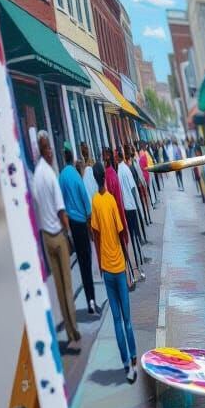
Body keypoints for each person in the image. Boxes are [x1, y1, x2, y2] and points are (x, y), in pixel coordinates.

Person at [90, 162, 137, 383]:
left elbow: (96, 235)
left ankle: (126, 364)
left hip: (106, 270)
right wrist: (128, 268)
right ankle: (135, 360)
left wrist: (99, 264)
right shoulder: (109, 201)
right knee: (127, 320)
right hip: (118, 267)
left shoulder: (95, 202)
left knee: (117, 320)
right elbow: (121, 234)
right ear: (105, 179)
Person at [33, 132, 79, 345]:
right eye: (48, 148)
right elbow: (62, 212)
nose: (50, 151)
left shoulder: (36, 175)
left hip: (45, 237)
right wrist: (68, 234)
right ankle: (73, 331)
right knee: (67, 286)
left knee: (59, 289)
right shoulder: (51, 175)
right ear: (44, 151)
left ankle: (69, 331)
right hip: (58, 236)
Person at [60, 145, 97, 315]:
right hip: (82, 224)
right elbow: (87, 204)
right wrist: (90, 228)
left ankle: (89, 299)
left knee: (82, 265)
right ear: (72, 158)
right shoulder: (76, 177)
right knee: (87, 263)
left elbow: (60, 204)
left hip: (72, 226)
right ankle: (91, 301)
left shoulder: (61, 177)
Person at [102, 147, 135, 289]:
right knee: (123, 249)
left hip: (116, 218)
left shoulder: (109, 176)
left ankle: (128, 280)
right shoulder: (113, 174)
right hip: (120, 216)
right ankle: (130, 278)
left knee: (121, 251)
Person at [116, 148, 146, 277]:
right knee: (135, 235)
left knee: (132, 236)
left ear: (118, 158)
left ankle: (138, 264)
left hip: (127, 207)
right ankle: (139, 263)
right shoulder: (125, 169)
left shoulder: (120, 171)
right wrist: (137, 204)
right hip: (132, 206)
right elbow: (133, 188)